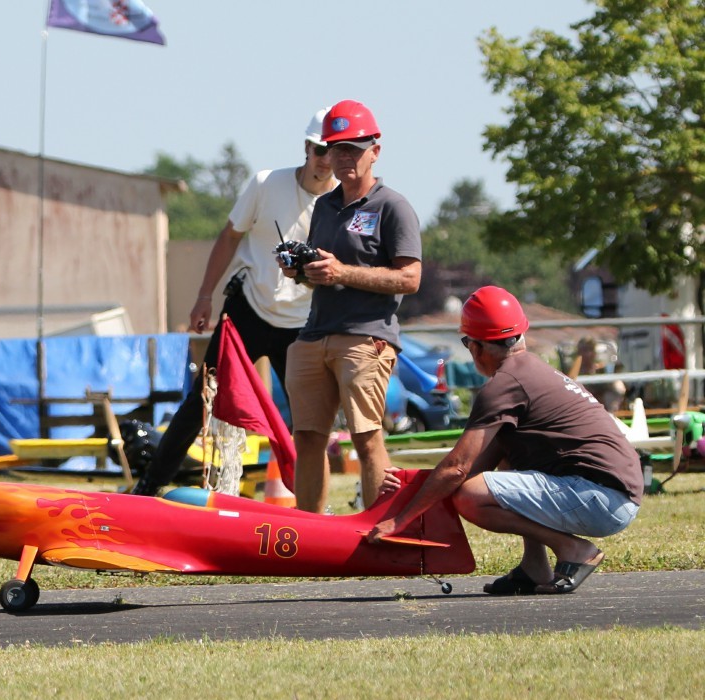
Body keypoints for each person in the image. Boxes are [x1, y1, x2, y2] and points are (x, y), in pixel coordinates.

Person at [368, 286, 641, 595]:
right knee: (507, 459)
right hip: (611, 494)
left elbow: (458, 469)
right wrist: (410, 482)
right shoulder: (531, 371)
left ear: (475, 347)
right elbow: (470, 467)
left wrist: (399, 520)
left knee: (471, 497)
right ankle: (535, 566)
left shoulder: (504, 385)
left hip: (603, 498)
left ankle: (573, 549)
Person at [130, 107, 337, 497]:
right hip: (248, 310)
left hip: (301, 323)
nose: (326, 160)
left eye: (335, 151)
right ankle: (148, 487)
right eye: (320, 149)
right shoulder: (266, 184)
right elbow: (229, 237)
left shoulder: (342, 202)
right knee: (202, 401)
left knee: (309, 421)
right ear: (306, 148)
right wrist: (203, 296)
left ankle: (315, 507)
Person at [283, 99, 422, 513]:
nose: (343, 157)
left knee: (366, 436)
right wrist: (300, 270)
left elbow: (410, 279)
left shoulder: (393, 206)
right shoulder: (324, 206)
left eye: (353, 149)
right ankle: (307, 531)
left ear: (374, 151)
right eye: (336, 148)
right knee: (308, 437)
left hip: (366, 337)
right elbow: (322, 274)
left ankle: (379, 529)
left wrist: (342, 271)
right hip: (314, 334)